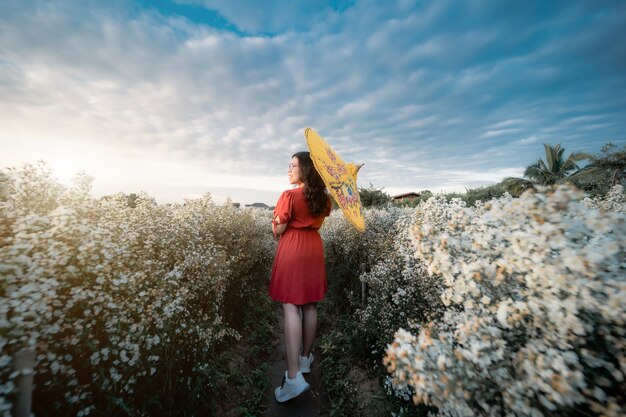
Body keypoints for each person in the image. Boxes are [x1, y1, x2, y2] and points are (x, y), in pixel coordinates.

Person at [270, 151, 331, 403]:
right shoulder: (324, 199)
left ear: (305, 169)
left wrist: (274, 223)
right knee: (310, 305)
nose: (289, 169)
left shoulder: (289, 196)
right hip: (313, 248)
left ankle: (293, 377)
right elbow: (317, 221)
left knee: (291, 306)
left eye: (293, 165)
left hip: (293, 247)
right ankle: (305, 358)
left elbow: (279, 228)